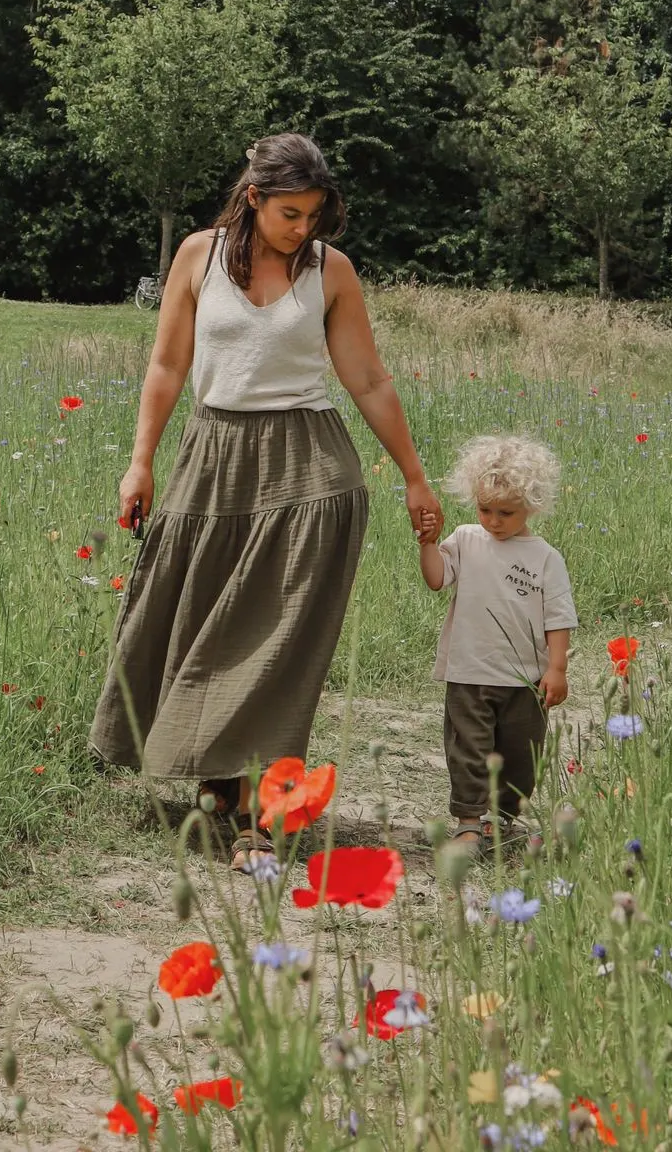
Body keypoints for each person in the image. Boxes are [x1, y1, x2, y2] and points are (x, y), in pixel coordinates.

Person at [90, 133, 443, 869]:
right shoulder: (199, 255)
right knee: (200, 619)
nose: (302, 228)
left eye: (313, 214)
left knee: (277, 643)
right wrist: (139, 462)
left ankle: (257, 816)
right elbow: (166, 364)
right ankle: (218, 786)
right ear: (253, 198)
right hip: (212, 456)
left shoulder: (331, 272)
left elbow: (368, 381)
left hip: (308, 467)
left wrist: (413, 474)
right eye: (290, 213)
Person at [416, 434, 576, 851]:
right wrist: (428, 543)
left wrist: (556, 668)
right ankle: (469, 821)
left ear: (532, 506)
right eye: (485, 509)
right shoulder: (467, 540)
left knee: (522, 757)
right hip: (469, 672)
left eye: (506, 512)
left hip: (526, 679)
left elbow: (558, 618)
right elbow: (437, 579)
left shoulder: (545, 557)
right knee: (468, 749)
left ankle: (505, 819)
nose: (493, 520)